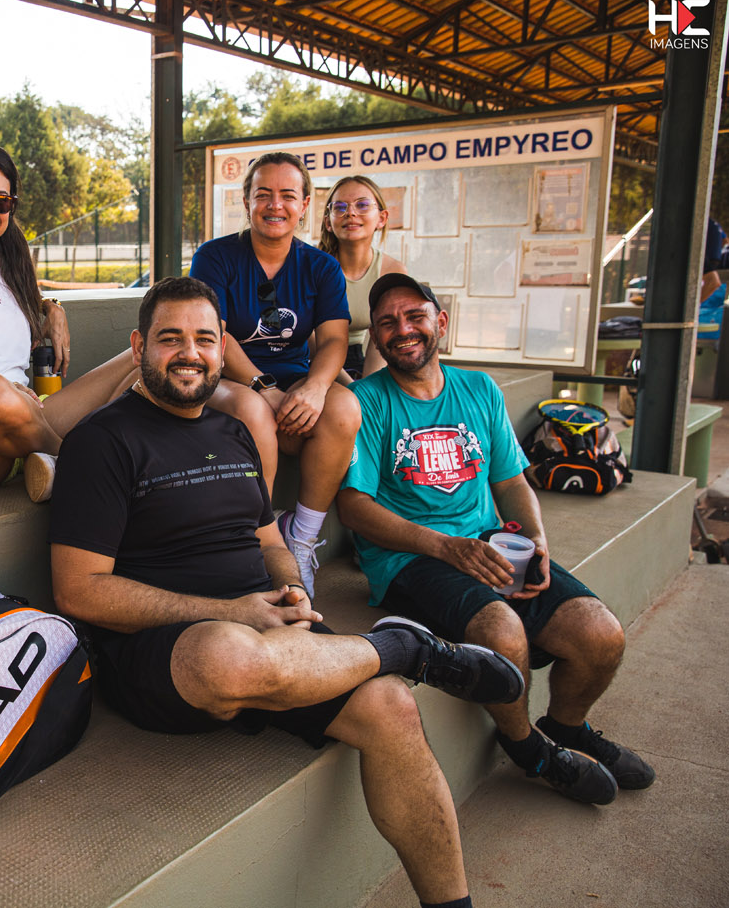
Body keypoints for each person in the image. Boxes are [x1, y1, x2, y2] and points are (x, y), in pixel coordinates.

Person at [50, 276, 526, 908]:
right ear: (139, 347)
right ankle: (404, 650)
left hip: (271, 629)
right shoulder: (101, 442)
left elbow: (269, 539)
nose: (189, 353)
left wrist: (291, 589)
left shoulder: (234, 433)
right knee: (228, 655)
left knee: (391, 707)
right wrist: (233, 612)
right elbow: (79, 592)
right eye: (170, 339)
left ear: (222, 347)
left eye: (204, 339)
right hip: (170, 650)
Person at [336, 272, 655, 807]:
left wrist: (536, 540)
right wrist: (447, 547)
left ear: (440, 322)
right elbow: (353, 506)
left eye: (414, 316)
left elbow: (510, 482)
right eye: (387, 322)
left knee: (601, 634)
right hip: (410, 558)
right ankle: (529, 748)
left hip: (489, 542)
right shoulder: (365, 401)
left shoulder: (479, 389)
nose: (402, 329)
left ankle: (567, 728)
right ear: (376, 338)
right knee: (504, 634)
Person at [0, 141, 270, 503]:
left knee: (146, 353)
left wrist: (52, 308)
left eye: (1, 201)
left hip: (29, 424)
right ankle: (80, 460)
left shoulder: (11, 266)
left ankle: (150, 460)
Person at [189, 151, 362, 597]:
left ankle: (300, 538)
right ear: (246, 200)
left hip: (293, 378)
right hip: (227, 377)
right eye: (263, 194)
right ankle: (257, 542)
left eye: (287, 195)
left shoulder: (321, 266)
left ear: (305, 204)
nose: (275, 205)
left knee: (344, 408)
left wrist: (316, 388)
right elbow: (215, 335)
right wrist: (262, 386)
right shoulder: (216, 257)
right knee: (254, 410)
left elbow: (334, 340)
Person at [316, 174, 406, 380]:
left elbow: (381, 342)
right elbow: (309, 340)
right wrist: (351, 387)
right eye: (340, 207)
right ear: (328, 222)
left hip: (359, 359)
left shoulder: (392, 270)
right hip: (312, 361)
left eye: (362, 205)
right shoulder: (311, 267)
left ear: (382, 218)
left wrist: (367, 388)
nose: (351, 213)